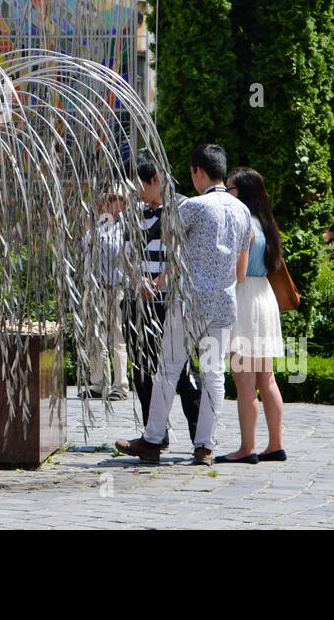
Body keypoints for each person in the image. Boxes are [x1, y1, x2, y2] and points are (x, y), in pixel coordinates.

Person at [117, 143, 251, 465]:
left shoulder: (193, 207)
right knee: (214, 375)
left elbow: (170, 248)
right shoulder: (242, 210)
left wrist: (161, 282)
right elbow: (241, 268)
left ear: (199, 172)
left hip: (189, 303)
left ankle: (152, 440)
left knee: (168, 369)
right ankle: (204, 446)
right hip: (224, 303)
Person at [120, 155, 199, 446]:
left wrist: (160, 281)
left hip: (170, 300)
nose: (136, 192)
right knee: (142, 369)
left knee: (182, 369)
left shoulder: (182, 209)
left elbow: (184, 254)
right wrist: (136, 279)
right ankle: (154, 435)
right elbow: (125, 253)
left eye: (139, 185)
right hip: (137, 301)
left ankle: (200, 438)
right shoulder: (134, 213)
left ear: (155, 180)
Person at [218, 167, 286, 464]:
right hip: (265, 298)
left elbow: (240, 272)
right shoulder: (267, 224)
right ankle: (275, 444)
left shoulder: (243, 223)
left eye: (230, 188)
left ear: (241, 192)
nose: (226, 192)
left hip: (245, 299)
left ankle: (247, 447)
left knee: (244, 383)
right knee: (266, 379)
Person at [79, 192, 129, 401]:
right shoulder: (97, 224)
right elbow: (85, 250)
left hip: (116, 287)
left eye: (115, 199)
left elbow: (121, 254)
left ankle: (120, 385)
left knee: (117, 337)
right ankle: (98, 382)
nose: (110, 203)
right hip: (95, 287)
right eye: (107, 199)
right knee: (95, 336)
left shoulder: (127, 227)